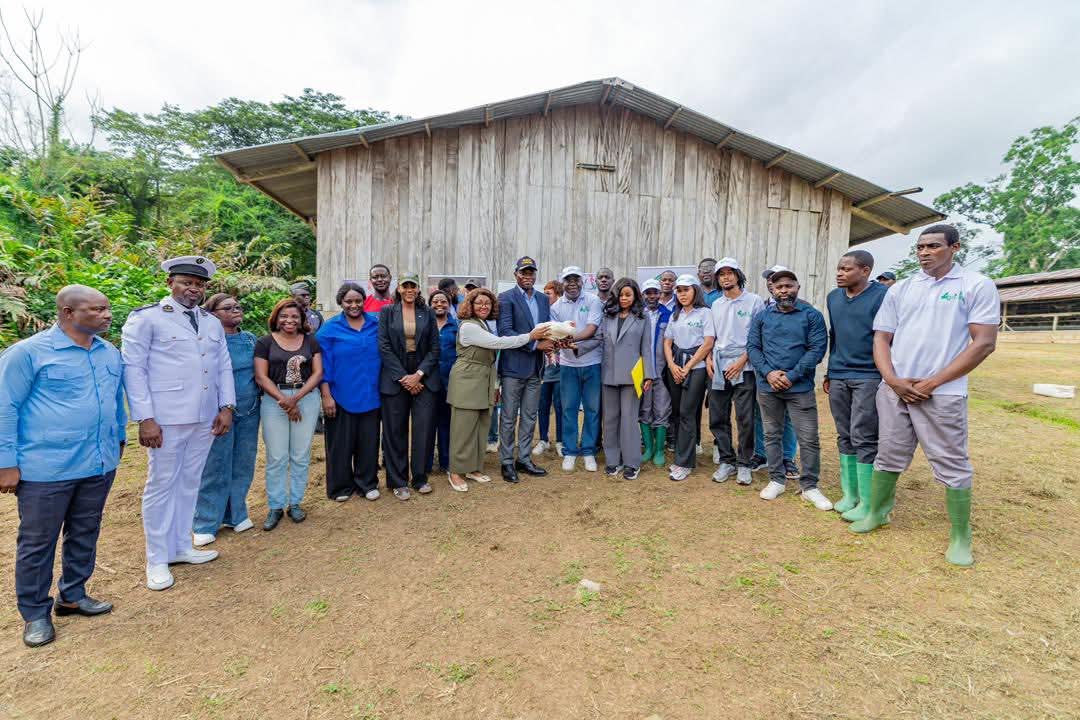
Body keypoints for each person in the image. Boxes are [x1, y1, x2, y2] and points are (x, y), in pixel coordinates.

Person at [851, 224, 999, 567]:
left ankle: (960, 536)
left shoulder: (975, 285)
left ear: (955, 247)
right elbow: (881, 338)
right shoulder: (902, 288)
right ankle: (877, 512)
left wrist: (932, 383)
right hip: (896, 389)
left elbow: (984, 343)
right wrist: (892, 380)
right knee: (888, 454)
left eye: (933, 246)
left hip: (943, 392)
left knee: (952, 463)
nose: (924, 252)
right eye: (920, 247)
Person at [0, 286, 125, 647]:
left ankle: (72, 594)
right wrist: (6, 463)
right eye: (96, 309)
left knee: (85, 531)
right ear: (68, 313)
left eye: (107, 308)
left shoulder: (108, 352)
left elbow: (115, 399)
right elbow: (5, 407)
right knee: (38, 541)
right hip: (46, 468)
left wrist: (119, 437)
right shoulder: (28, 353)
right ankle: (35, 613)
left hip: (97, 463)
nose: (106, 315)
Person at [122, 256, 235, 592]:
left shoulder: (210, 322)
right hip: (166, 417)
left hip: (205, 415)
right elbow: (134, 369)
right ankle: (157, 558)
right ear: (170, 283)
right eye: (186, 282)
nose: (193, 289)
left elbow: (223, 366)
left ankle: (181, 546)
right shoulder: (147, 318)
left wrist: (227, 406)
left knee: (190, 481)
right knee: (161, 485)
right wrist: (145, 418)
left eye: (199, 284)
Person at [446, 289, 550, 491]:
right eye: (479, 303)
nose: (484, 306)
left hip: (483, 379)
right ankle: (456, 471)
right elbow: (499, 343)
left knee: (480, 427)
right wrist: (530, 336)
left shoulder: (483, 324)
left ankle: (472, 468)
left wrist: (495, 384)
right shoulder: (469, 326)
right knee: (463, 429)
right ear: (470, 305)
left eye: (487, 303)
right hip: (467, 380)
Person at [746, 269, 832, 510]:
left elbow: (817, 349)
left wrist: (791, 376)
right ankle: (777, 480)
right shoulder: (762, 317)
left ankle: (810, 487)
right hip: (768, 386)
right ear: (772, 290)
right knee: (771, 434)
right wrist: (769, 373)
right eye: (779, 287)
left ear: (797, 287)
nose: (784, 291)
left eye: (788, 286)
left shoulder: (811, 315)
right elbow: (753, 347)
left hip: (800, 388)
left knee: (808, 438)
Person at [824, 251, 888, 518]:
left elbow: (887, 338)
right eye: (839, 268)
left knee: (864, 435)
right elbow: (835, 336)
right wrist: (829, 372)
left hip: (868, 375)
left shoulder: (882, 296)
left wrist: (886, 373)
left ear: (865, 271)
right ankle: (850, 494)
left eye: (846, 269)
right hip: (839, 373)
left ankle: (868, 501)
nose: (840, 273)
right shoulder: (833, 297)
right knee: (844, 433)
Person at [192, 294, 260, 546]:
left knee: (243, 463)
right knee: (215, 465)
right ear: (212, 313)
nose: (235, 310)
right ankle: (206, 521)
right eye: (227, 307)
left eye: (237, 306)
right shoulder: (205, 340)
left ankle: (236, 514)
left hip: (250, 410)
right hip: (218, 412)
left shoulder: (249, 339)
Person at [254, 298, 323, 528]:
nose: (289, 320)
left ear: (302, 319)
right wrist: (284, 400)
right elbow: (261, 376)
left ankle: (295, 503)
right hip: (275, 400)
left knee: (300, 454)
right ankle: (276, 505)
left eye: (294, 316)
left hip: (306, 398)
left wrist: (296, 398)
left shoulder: (311, 341)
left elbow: (317, 373)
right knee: (277, 456)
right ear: (276, 318)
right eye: (284, 316)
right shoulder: (265, 342)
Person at [317, 282, 382, 502]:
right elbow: (323, 367)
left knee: (368, 442)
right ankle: (341, 486)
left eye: (358, 301)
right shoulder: (329, 329)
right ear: (341, 303)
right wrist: (326, 396)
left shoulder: (376, 324)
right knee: (340, 445)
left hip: (371, 394)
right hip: (340, 396)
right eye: (348, 301)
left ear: (364, 301)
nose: (354, 305)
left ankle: (367, 483)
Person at [378, 271, 441, 499]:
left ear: (418, 289)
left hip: (424, 374)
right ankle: (398, 481)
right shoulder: (387, 312)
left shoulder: (428, 313)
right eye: (405, 286)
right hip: (396, 375)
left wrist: (419, 375)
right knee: (395, 431)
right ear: (399, 289)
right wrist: (404, 377)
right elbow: (384, 346)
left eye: (412, 286)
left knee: (423, 430)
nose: (409, 290)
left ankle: (420, 478)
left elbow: (435, 348)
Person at [706, 258, 764, 486]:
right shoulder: (716, 304)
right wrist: (709, 359)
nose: (726, 277)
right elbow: (711, 337)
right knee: (717, 416)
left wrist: (741, 362)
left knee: (745, 417)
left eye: (730, 273)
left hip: (744, 366)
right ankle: (726, 461)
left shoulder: (754, 301)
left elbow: (758, 337)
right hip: (719, 365)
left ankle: (744, 464)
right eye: (721, 274)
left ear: (738, 275)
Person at [496, 257, 554, 483]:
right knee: (509, 417)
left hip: (536, 368)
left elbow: (547, 329)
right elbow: (506, 331)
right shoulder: (506, 298)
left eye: (531, 272)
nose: (528, 276)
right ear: (516, 275)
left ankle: (524, 459)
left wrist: (554, 342)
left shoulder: (542, 299)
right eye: (524, 272)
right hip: (513, 367)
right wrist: (535, 345)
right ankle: (506, 461)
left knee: (530, 416)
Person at [599, 278, 656, 479]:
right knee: (610, 419)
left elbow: (646, 347)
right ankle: (613, 460)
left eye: (628, 295)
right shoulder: (607, 316)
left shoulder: (642, 317)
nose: (624, 298)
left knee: (629, 419)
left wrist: (648, 374)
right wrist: (575, 346)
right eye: (621, 295)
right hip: (608, 374)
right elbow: (598, 340)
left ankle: (632, 462)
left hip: (633, 375)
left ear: (635, 296)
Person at [550, 266, 604, 472]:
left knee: (592, 409)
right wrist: (563, 341)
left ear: (582, 281)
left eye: (576, 279)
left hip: (592, 363)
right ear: (562, 282)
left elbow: (591, 329)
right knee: (569, 409)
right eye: (568, 279)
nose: (572, 283)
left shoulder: (593, 300)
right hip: (568, 365)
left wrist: (570, 339)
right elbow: (555, 334)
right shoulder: (556, 306)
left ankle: (588, 451)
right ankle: (570, 451)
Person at [749, 265, 800, 478]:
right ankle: (761, 454)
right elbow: (754, 342)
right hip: (764, 372)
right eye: (770, 279)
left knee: (788, 417)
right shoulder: (760, 307)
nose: (772, 283)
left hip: (791, 374)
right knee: (760, 414)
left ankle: (787, 458)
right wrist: (766, 371)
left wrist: (790, 373)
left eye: (777, 279)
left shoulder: (802, 308)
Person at [663, 275, 715, 481]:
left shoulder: (705, 313)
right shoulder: (675, 315)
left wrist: (688, 367)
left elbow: (708, 342)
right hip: (676, 367)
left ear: (695, 291)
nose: (682, 294)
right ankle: (681, 456)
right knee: (677, 413)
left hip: (697, 368)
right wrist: (672, 365)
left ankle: (684, 463)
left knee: (687, 413)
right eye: (679, 290)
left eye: (686, 290)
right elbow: (667, 342)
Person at [639, 279, 672, 467]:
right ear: (643, 294)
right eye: (648, 293)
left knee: (661, 409)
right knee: (644, 409)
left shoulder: (669, 314)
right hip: (642, 373)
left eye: (655, 292)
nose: (652, 296)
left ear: (660, 294)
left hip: (662, 372)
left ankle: (659, 450)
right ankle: (648, 448)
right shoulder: (637, 315)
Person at [427, 289, 458, 474]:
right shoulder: (424, 325)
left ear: (449, 305)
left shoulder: (457, 326)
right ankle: (427, 462)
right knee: (428, 424)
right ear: (430, 304)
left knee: (446, 423)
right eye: (435, 301)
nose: (439, 304)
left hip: (449, 383)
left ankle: (446, 462)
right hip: (427, 384)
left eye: (443, 301)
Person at [534, 280, 565, 457]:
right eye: (544, 293)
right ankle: (543, 440)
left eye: (549, 294)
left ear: (558, 295)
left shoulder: (562, 317)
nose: (545, 297)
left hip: (560, 370)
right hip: (543, 371)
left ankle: (560, 441)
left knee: (560, 406)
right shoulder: (541, 315)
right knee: (542, 406)